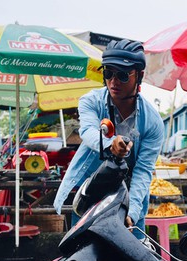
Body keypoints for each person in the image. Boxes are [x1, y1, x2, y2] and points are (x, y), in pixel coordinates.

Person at [53, 39, 164, 239]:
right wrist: (109, 144)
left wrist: (131, 213)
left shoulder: (153, 123)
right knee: (80, 254)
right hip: (91, 192)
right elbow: (87, 132)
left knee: (132, 260)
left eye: (122, 75)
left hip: (129, 197)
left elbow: (143, 171)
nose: (113, 82)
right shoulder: (90, 101)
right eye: (108, 73)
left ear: (139, 76)